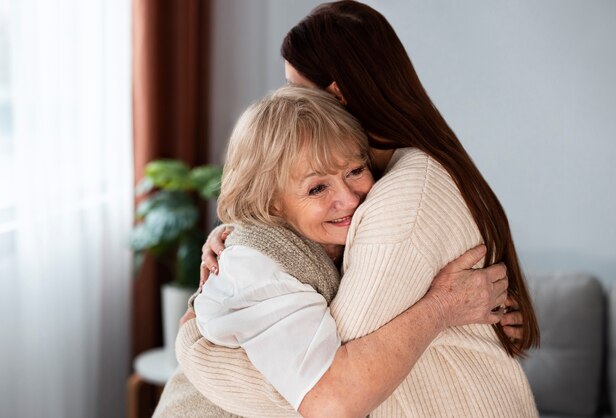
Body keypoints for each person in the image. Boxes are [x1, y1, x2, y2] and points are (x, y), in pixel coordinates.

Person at [178, 1, 541, 416]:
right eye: (318, 187)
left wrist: (191, 342)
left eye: (297, 88)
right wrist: (241, 239)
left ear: (336, 96)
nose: (347, 197)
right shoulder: (412, 169)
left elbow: (332, 393)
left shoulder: (401, 201)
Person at [154, 86, 509, 418]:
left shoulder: (321, 240)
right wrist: (441, 308)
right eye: (317, 188)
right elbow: (331, 404)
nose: (350, 199)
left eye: (355, 170)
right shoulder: (257, 270)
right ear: (271, 204)